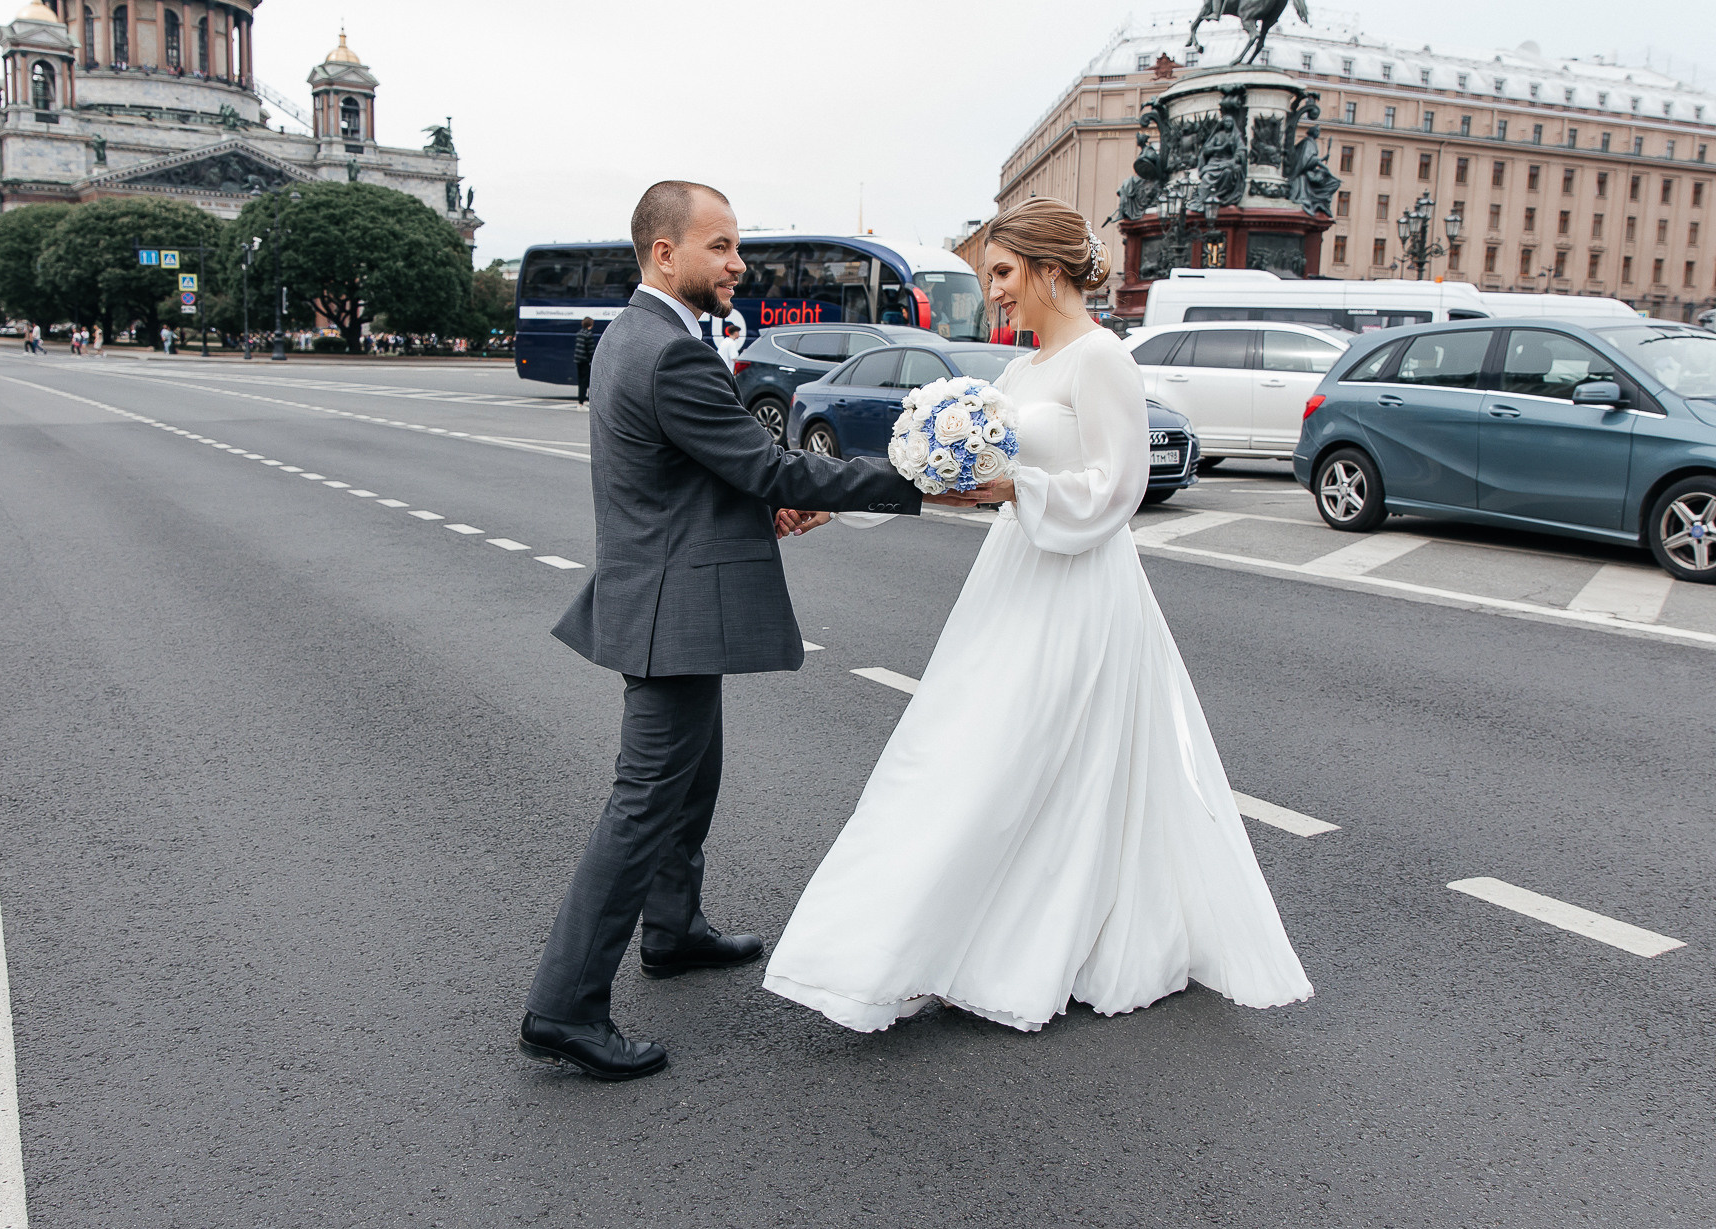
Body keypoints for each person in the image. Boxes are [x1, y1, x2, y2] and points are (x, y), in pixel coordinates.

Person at [762, 196, 1313, 1034]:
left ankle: (1019, 939)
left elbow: (1120, 488)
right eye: (992, 279)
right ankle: (922, 941)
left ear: (1052, 269)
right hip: (1016, 576)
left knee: (1033, 761)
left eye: (1004, 274)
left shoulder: (1104, 360)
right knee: (964, 751)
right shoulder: (1019, 375)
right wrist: (834, 504)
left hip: (1084, 586)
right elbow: (951, 475)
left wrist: (1023, 487)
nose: (996, 296)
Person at [520, 181, 927, 1082]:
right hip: (669, 604)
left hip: (660, 589)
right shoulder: (670, 352)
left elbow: (692, 474)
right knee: (644, 801)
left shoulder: (634, 337)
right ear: (666, 254)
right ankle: (564, 1005)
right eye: (722, 246)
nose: (739, 264)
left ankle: (673, 930)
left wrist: (756, 503)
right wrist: (912, 476)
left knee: (689, 780)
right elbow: (766, 465)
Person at [571, 317, 597, 404]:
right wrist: (592, 360)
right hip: (585, 361)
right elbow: (590, 350)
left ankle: (580, 401)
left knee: (581, 381)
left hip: (578, 360)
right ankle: (583, 401)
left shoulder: (579, 333)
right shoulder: (588, 335)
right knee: (586, 382)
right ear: (590, 324)